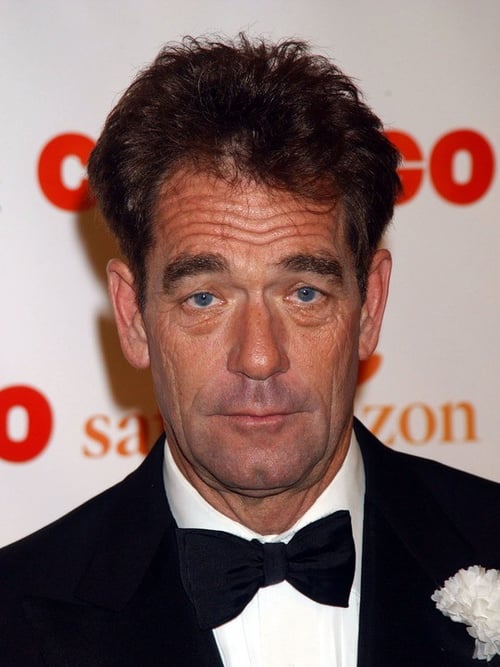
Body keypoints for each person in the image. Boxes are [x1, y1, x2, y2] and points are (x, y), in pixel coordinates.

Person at [1, 35, 499, 667]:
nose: (259, 357)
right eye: (205, 298)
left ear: (370, 306)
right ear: (133, 318)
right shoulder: (13, 617)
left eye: (304, 293)